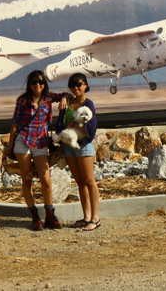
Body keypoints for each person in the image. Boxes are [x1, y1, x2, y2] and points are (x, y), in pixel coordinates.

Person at [4, 69, 66, 231]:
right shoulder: (23, 100)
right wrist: (10, 145)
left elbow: (67, 94)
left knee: (46, 180)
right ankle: (35, 217)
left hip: (40, 142)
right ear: (29, 84)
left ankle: (50, 215)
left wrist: (64, 98)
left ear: (44, 83)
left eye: (41, 81)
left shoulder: (48, 98)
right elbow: (15, 123)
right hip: (23, 141)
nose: (37, 84)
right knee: (27, 179)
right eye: (34, 82)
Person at [56, 72, 101, 231]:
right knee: (80, 182)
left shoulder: (88, 104)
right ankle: (86, 217)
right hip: (69, 146)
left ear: (85, 85)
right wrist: (63, 97)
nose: (76, 88)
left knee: (89, 181)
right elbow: (60, 122)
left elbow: (92, 126)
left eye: (79, 85)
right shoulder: (68, 102)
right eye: (72, 86)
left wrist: (78, 126)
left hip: (83, 145)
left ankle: (95, 218)